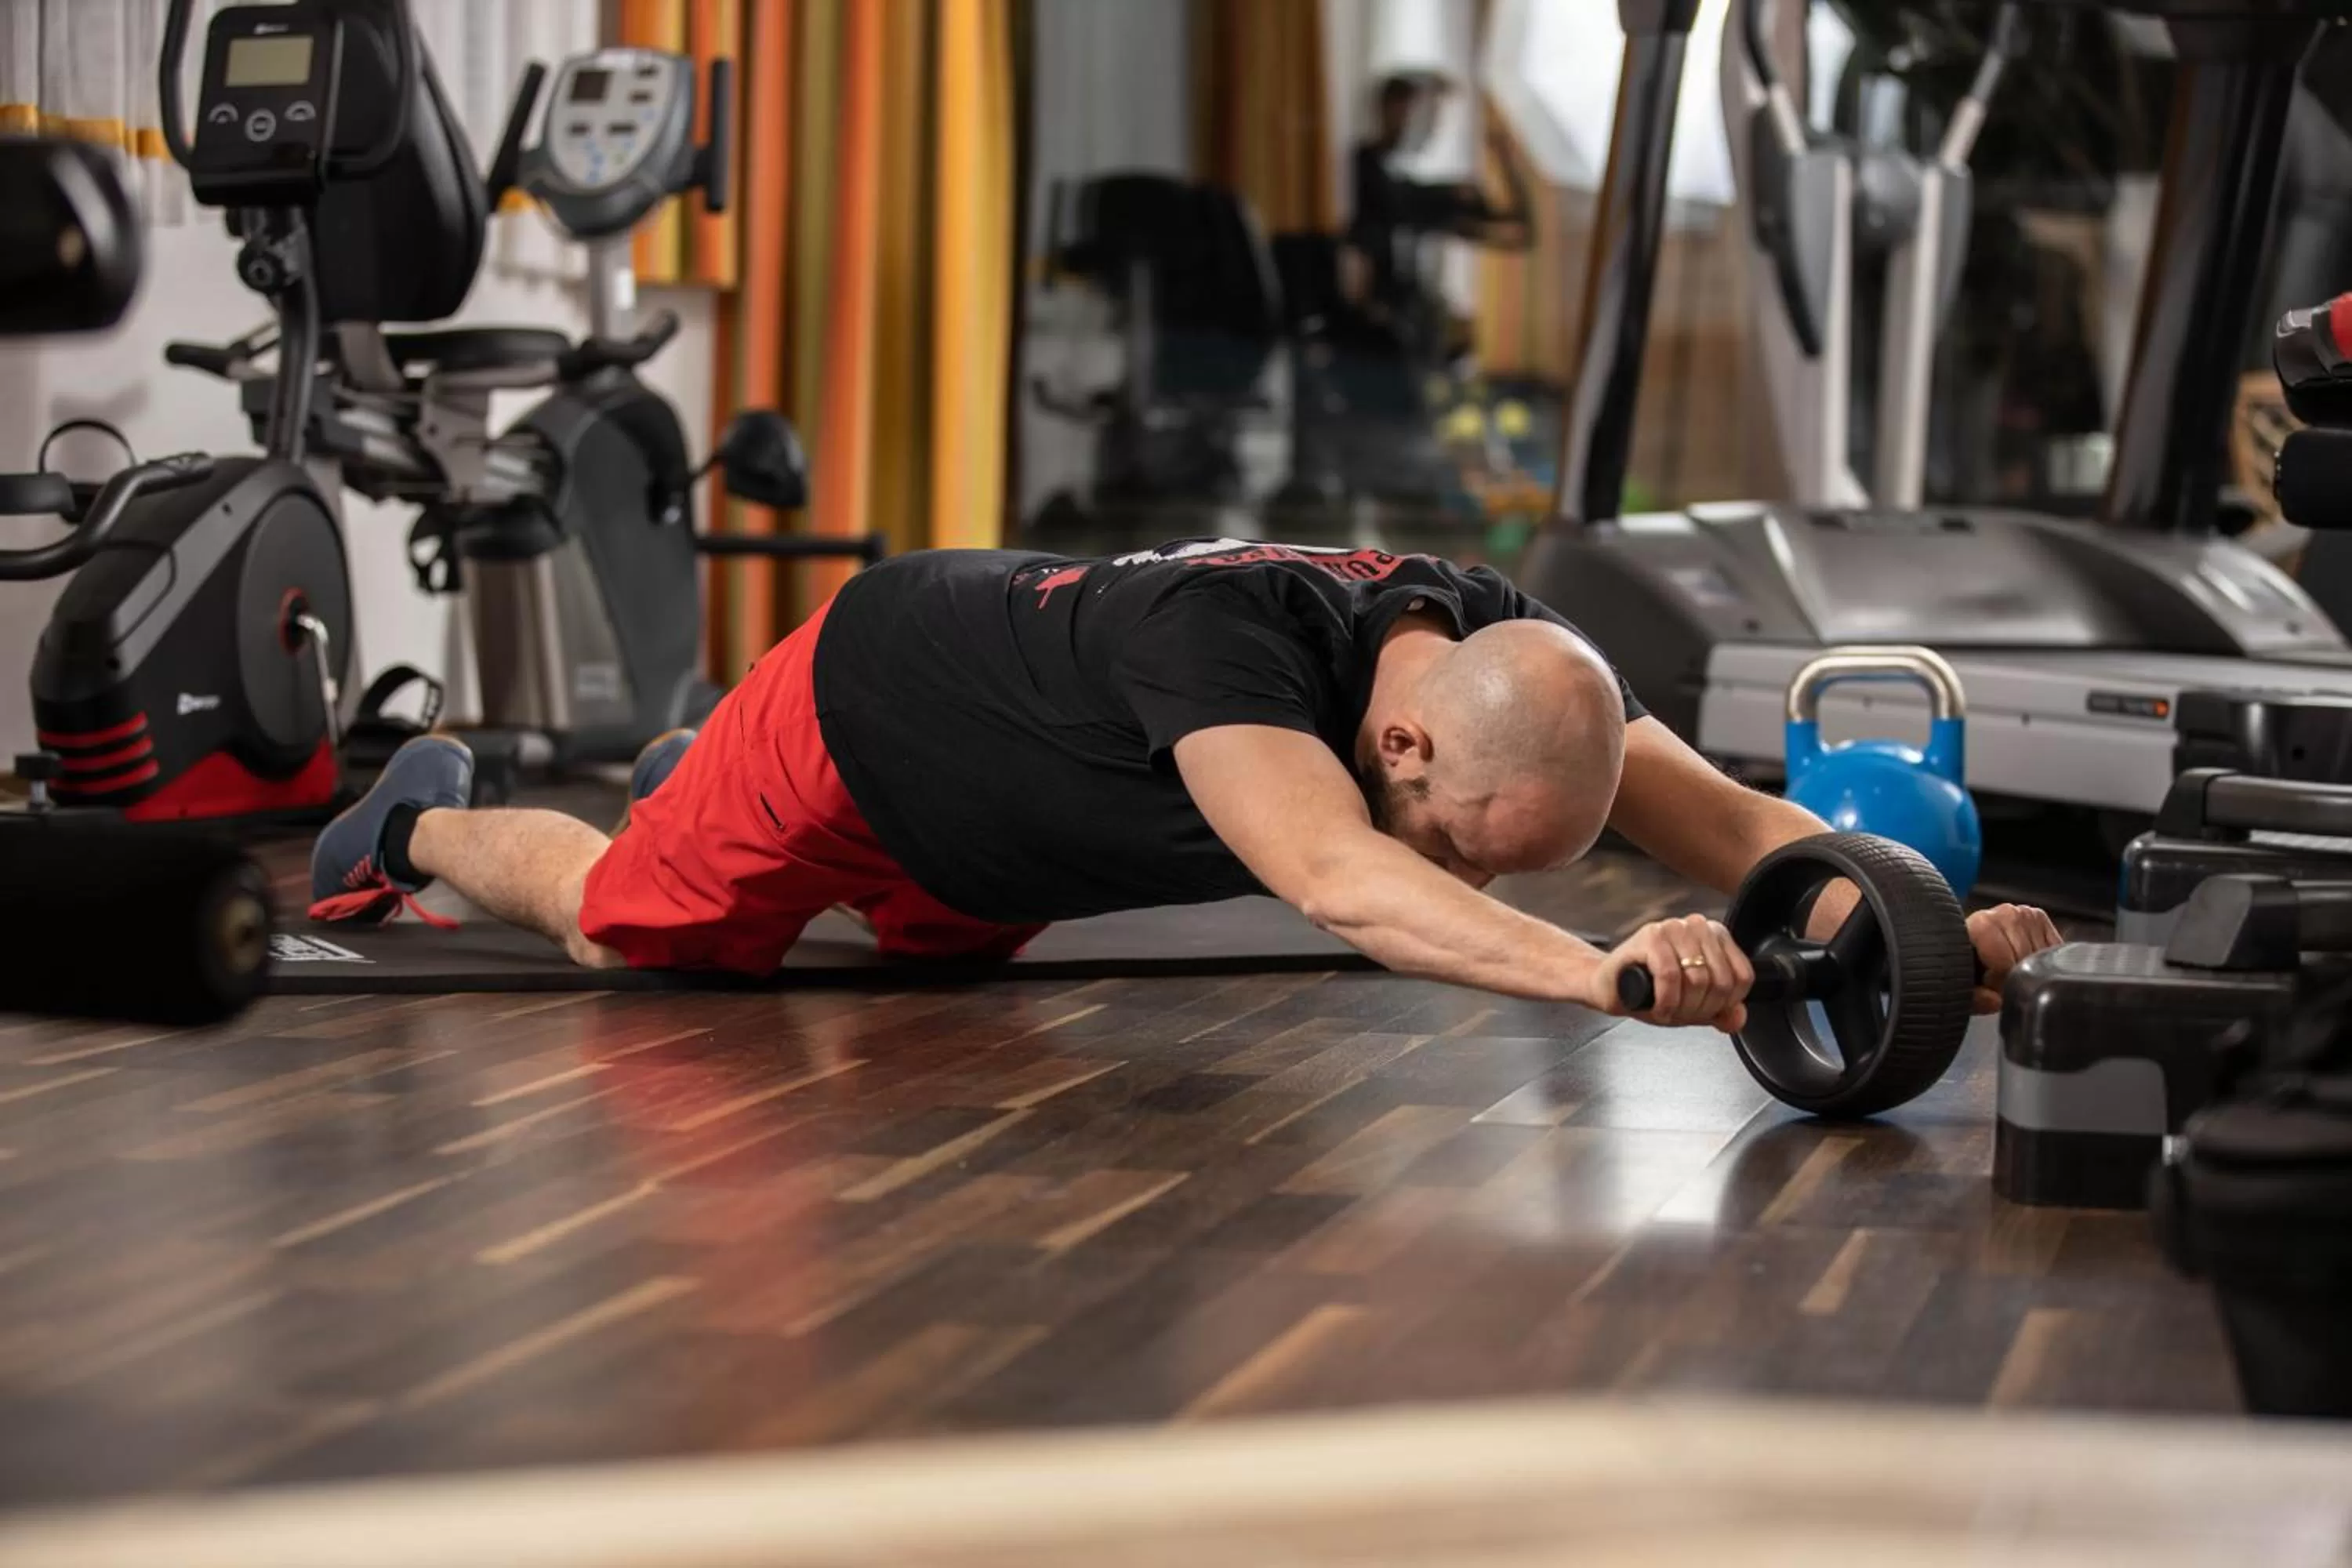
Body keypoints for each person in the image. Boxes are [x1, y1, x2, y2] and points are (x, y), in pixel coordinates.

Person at [311, 539, 2062, 1031]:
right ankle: (423, 813)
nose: (1488, 879)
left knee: (927, 967)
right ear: (1399, 746)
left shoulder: (1507, 662)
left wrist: (1919, 929)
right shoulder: (1232, 658)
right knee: (649, 937)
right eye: (1471, 840)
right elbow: (1351, 888)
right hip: (868, 714)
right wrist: (1604, 972)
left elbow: (1747, 830)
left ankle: (695, 778)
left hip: (997, 839)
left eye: (1527, 872)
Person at [1345, 73, 1534, 356]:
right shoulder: (1370, 170)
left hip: (1406, 334)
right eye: (1413, 112)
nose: (1422, 124)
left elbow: (1519, 232)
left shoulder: (1428, 196)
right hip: (1379, 334)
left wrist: (1505, 160)